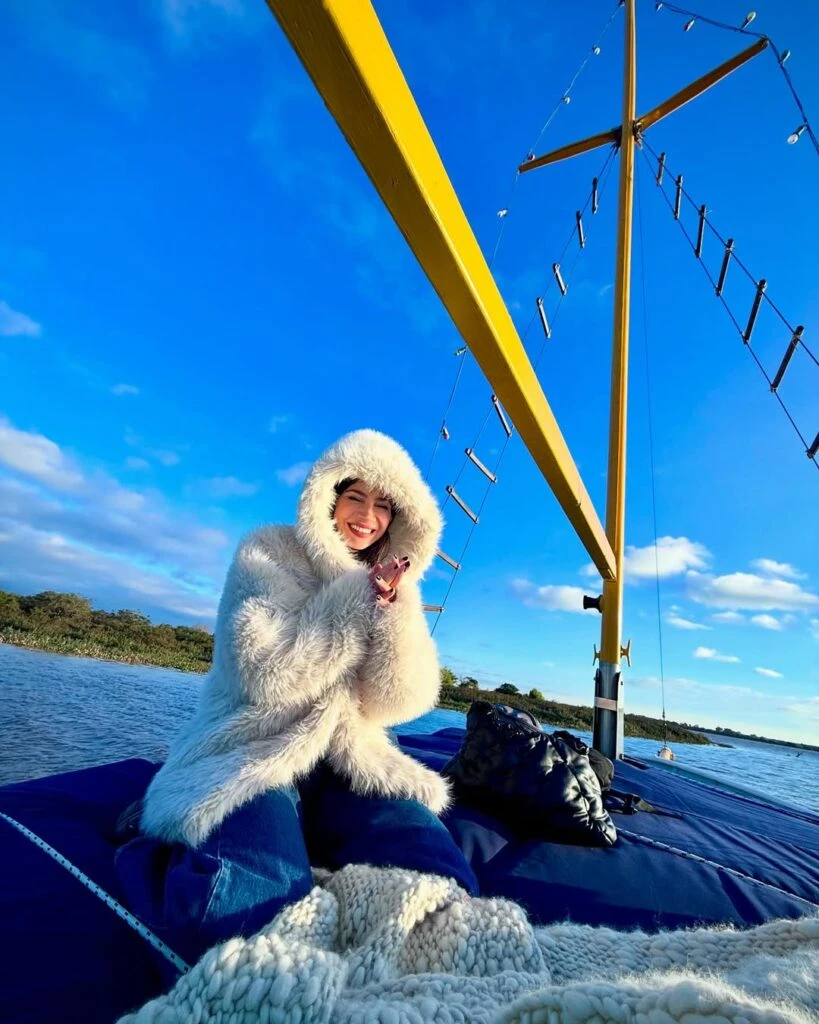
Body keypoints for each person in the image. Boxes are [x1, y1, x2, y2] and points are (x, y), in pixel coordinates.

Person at [116, 429, 477, 972]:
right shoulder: (267, 553)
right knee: (250, 897)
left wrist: (391, 610)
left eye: (383, 505)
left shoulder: (395, 583)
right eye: (355, 496)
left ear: (400, 519)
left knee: (437, 871)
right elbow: (267, 675)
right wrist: (358, 599)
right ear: (328, 497)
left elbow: (402, 700)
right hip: (252, 744)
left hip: (348, 756)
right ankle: (148, 839)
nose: (367, 516)